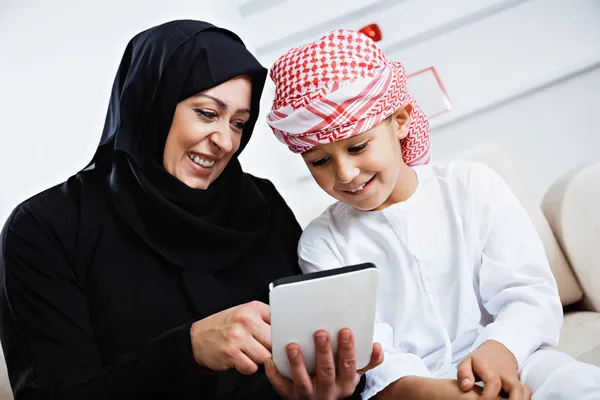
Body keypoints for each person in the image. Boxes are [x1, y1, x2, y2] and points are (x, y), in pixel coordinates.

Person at [0, 21, 383, 399]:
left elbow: (315, 350)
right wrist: (190, 351)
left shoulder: (259, 202)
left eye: (238, 123)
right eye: (206, 113)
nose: (224, 141)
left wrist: (333, 385)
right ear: (153, 101)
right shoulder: (44, 228)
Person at [266, 29, 600, 399]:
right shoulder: (322, 243)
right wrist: (433, 391)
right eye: (320, 161)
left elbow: (527, 292)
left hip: (518, 360)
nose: (343, 173)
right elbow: (369, 352)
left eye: (358, 147)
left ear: (401, 120)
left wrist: (500, 349)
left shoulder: (470, 186)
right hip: (415, 390)